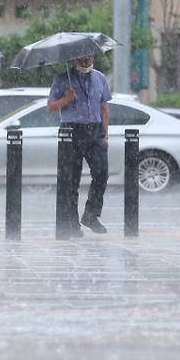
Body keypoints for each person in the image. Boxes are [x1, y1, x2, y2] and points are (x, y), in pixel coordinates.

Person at [47, 55, 112, 236]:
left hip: (95, 130)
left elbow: (104, 106)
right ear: (74, 59)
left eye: (89, 59)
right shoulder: (62, 78)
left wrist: (105, 133)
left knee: (101, 173)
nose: (86, 63)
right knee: (71, 179)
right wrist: (66, 99)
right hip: (71, 129)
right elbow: (51, 106)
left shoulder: (100, 77)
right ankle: (71, 223)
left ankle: (91, 215)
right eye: (82, 60)